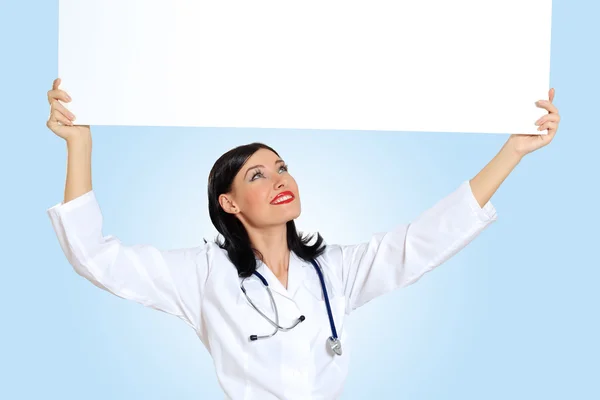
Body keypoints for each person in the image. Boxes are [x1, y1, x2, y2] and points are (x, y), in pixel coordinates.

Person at [45, 77, 561, 399]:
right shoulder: (201, 275)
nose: (279, 180)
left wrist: (513, 151)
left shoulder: (332, 269)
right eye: (257, 176)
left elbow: (421, 242)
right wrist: (80, 144)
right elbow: (94, 255)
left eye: (282, 167)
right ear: (229, 204)